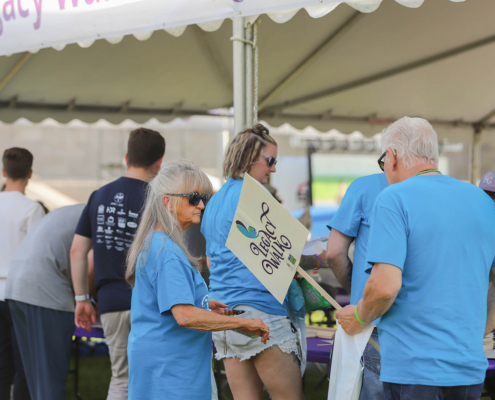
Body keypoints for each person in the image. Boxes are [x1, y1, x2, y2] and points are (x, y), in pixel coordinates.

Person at [337, 117, 495, 400]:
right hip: (469, 365)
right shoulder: (483, 200)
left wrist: (359, 316)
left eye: (384, 158)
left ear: (393, 157)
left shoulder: (393, 197)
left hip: (413, 368)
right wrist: (475, 334)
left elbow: (384, 286)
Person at [125, 160, 269, 399]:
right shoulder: (167, 252)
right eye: (193, 198)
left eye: (204, 197)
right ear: (167, 201)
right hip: (171, 371)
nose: (201, 204)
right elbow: (184, 315)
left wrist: (203, 303)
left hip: (160, 365)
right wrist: (243, 324)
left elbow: (170, 303)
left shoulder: (156, 242)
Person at [201, 123, 326, 400]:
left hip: (224, 316)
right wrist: (319, 258)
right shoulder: (253, 197)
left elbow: (211, 262)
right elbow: (287, 259)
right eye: (270, 161)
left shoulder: (215, 201)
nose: (274, 169)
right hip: (261, 313)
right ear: (248, 158)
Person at [70, 128, 165, 400]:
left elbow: (77, 250)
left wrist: (82, 299)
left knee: (121, 378)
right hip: (149, 302)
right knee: (153, 375)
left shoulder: (98, 195)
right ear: (159, 164)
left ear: (126, 157)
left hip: (110, 302)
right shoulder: (159, 199)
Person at [5, 204, 85, 400]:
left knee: (34, 377)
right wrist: (88, 300)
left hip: (16, 286)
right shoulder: (101, 214)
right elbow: (88, 264)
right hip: (45, 289)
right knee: (51, 380)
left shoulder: (73, 211)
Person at [326, 172, 388, 400]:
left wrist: (360, 299)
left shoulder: (366, 187)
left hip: (373, 322)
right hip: (427, 327)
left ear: (391, 156)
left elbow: (333, 252)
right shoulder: (445, 192)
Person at [0, 147, 45, 400]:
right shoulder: (32, 209)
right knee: (23, 364)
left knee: (2, 364)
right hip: (21, 294)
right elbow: (36, 258)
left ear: (4, 172)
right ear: (30, 173)